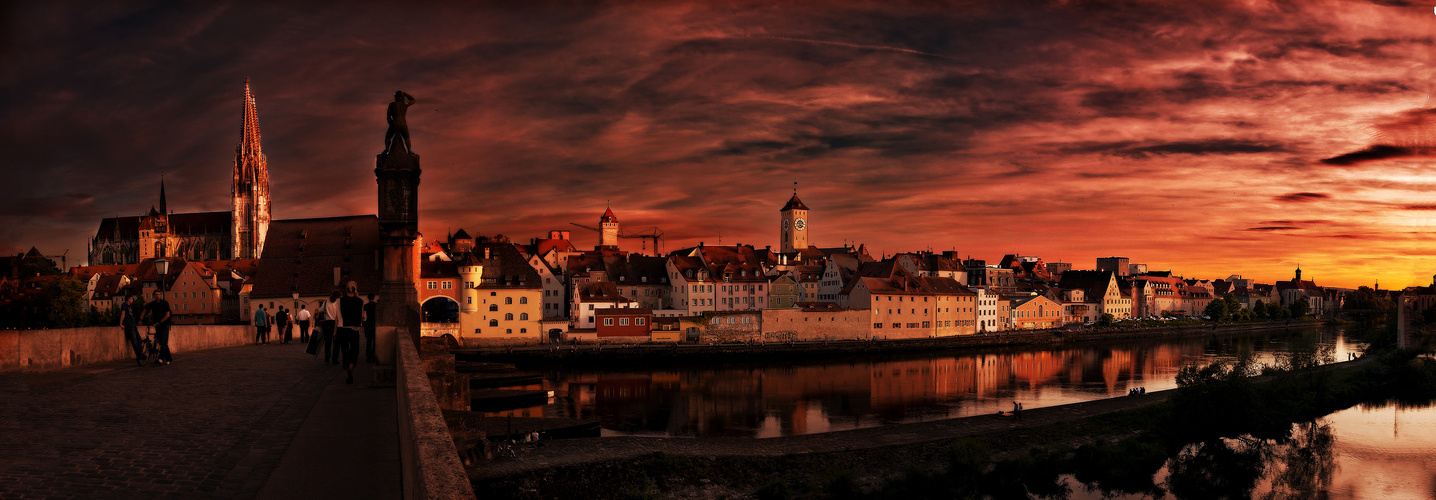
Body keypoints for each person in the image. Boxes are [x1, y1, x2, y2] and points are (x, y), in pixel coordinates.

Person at [337, 282, 366, 383]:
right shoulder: (359, 301)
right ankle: (351, 368)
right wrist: (357, 297)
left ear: (346, 289)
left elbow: (338, 316)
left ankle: (347, 372)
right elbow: (362, 317)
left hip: (343, 328)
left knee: (345, 351)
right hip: (354, 329)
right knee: (355, 351)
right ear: (355, 290)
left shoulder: (340, 301)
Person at [143, 290, 173, 365]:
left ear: (161, 295)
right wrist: (141, 319)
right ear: (154, 295)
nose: (157, 296)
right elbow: (145, 310)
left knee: (163, 342)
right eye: (156, 294)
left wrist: (160, 322)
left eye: (158, 294)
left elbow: (167, 315)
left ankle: (161, 358)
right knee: (161, 343)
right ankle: (167, 358)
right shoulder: (152, 304)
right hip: (157, 325)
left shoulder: (164, 303)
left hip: (165, 324)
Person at [120, 295, 143, 362]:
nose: (132, 300)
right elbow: (123, 314)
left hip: (133, 325)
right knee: (134, 341)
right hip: (129, 325)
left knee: (139, 340)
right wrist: (121, 323)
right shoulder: (124, 305)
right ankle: (138, 355)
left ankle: (141, 354)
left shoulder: (130, 306)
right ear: (128, 299)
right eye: (132, 299)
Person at [323, 290, 341, 364]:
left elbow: (321, 310)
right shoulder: (338, 303)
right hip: (336, 322)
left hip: (327, 323)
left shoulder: (325, 302)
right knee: (336, 342)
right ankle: (335, 359)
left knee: (328, 342)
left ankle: (327, 357)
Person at [363, 293, 378, 363]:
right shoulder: (377, 306)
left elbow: (364, 316)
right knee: (375, 341)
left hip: (368, 324)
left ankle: (368, 356)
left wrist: (363, 324)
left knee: (369, 341)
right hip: (375, 324)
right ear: (374, 297)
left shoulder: (366, 306)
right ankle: (373, 356)